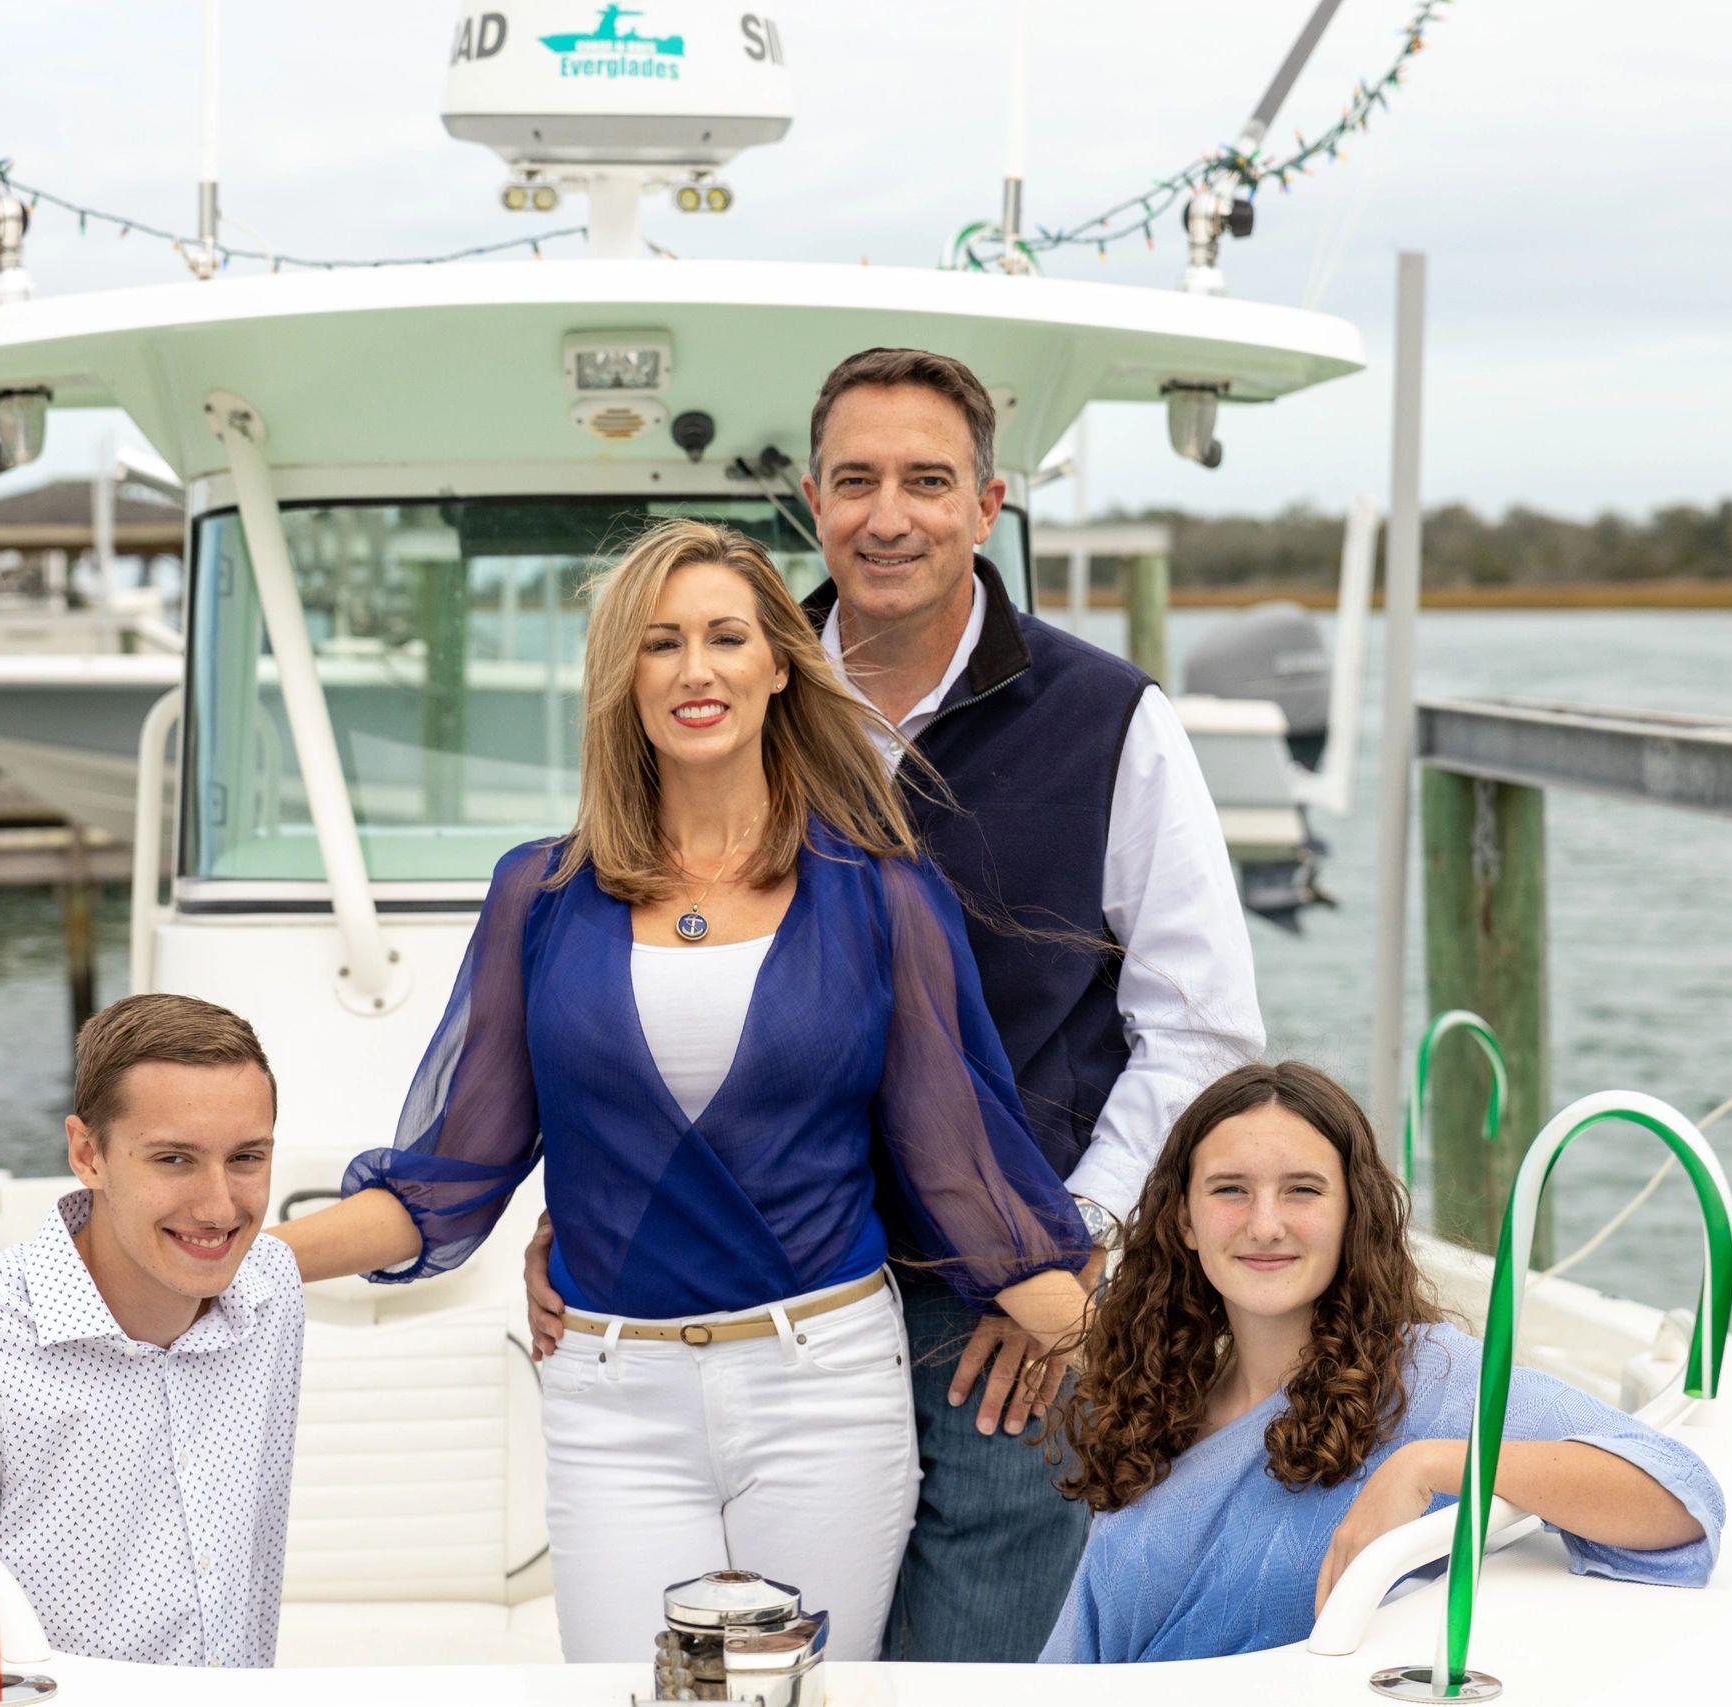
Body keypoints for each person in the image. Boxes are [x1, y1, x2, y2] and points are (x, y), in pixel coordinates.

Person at [525, 347, 1266, 1662]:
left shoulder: (1112, 720)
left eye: (929, 481)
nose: (888, 515)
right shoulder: (728, 695)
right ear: (812, 499)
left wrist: (1068, 1241)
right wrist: (579, 1206)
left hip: (1006, 1307)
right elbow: (625, 968)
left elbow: (1201, 1024)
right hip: (773, 1279)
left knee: (963, 1664)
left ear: (988, 506)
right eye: (856, 480)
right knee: (727, 1668)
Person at [268, 517, 1093, 1663]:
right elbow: (444, 1184)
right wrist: (233, 1256)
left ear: (776, 665)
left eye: (723, 637)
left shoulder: (883, 896)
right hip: (612, 1396)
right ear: (622, 677)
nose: (694, 670)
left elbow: (958, 1171)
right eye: (659, 644)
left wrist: (1131, 1331)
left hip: (824, 1391)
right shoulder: (539, 895)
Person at [1041, 1061, 1724, 1663]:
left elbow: (1680, 1498)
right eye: (1230, 1189)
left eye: (1303, 1190)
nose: (1266, 1223)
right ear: (1184, 1219)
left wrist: (1425, 1465)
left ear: (1352, 1214)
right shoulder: (1154, 1400)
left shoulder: (1425, 1378)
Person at [0, 994, 306, 1667]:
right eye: (174, 1160)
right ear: (86, 1153)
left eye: (245, 1158)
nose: (220, 1205)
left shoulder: (271, 1293)